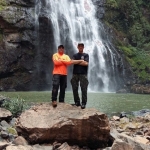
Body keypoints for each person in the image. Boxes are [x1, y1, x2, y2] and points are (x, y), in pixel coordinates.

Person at [71, 43, 89, 109]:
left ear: (83, 47)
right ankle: (77, 102)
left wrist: (77, 61)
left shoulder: (86, 55)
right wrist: (81, 61)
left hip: (83, 74)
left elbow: (86, 63)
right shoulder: (75, 55)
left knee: (84, 89)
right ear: (77, 47)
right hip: (75, 73)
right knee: (74, 88)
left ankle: (83, 103)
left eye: (82, 46)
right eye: (79, 46)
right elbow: (72, 62)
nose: (80, 47)